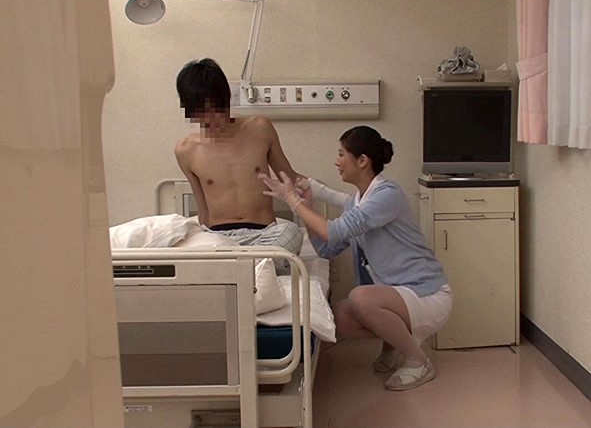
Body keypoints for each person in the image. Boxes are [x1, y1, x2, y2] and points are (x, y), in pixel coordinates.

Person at [260, 126, 453, 391]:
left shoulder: (387, 194)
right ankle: (392, 346)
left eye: (342, 154)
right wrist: (308, 205)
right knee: (339, 318)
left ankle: (418, 361)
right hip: (399, 294)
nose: (337, 161)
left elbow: (332, 230)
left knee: (361, 298)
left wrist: (293, 201)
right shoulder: (357, 202)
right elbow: (327, 248)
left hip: (427, 293)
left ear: (362, 160)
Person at [174, 58, 303, 263]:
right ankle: (254, 265)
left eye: (214, 110)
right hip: (220, 239)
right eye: (201, 113)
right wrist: (204, 241)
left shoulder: (260, 129)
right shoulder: (186, 151)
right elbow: (203, 209)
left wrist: (335, 197)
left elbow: (290, 178)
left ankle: (238, 266)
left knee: (293, 232)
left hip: (265, 235)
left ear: (225, 100)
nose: (210, 119)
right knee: (191, 247)